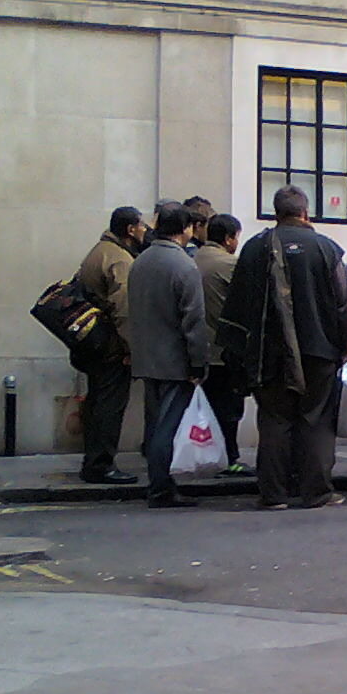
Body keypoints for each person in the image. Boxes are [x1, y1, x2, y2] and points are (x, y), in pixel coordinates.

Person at [217, 185, 347, 510]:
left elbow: (237, 306)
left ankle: (273, 494)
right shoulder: (325, 248)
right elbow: (344, 304)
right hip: (319, 351)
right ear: (305, 212)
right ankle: (317, 491)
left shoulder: (254, 248)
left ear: (275, 212)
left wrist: (239, 353)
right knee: (317, 419)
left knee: (274, 421)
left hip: (269, 353)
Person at [126, 202, 210, 508]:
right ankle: (160, 488)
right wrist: (198, 362)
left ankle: (160, 482)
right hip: (175, 360)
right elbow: (194, 321)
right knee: (166, 428)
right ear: (186, 229)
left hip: (147, 356)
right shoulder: (184, 266)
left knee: (155, 424)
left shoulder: (140, 261)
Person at [73, 206, 146, 485]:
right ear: (129, 229)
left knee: (97, 402)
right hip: (110, 345)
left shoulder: (99, 250)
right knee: (109, 405)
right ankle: (101, 465)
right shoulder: (119, 260)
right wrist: (129, 347)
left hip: (93, 342)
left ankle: (93, 462)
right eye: (140, 226)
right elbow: (124, 308)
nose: (144, 230)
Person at [193, 212, 251, 477]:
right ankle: (230, 459)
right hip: (223, 351)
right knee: (228, 411)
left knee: (203, 409)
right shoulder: (229, 264)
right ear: (229, 238)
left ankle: (205, 456)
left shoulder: (191, 259)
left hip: (195, 349)